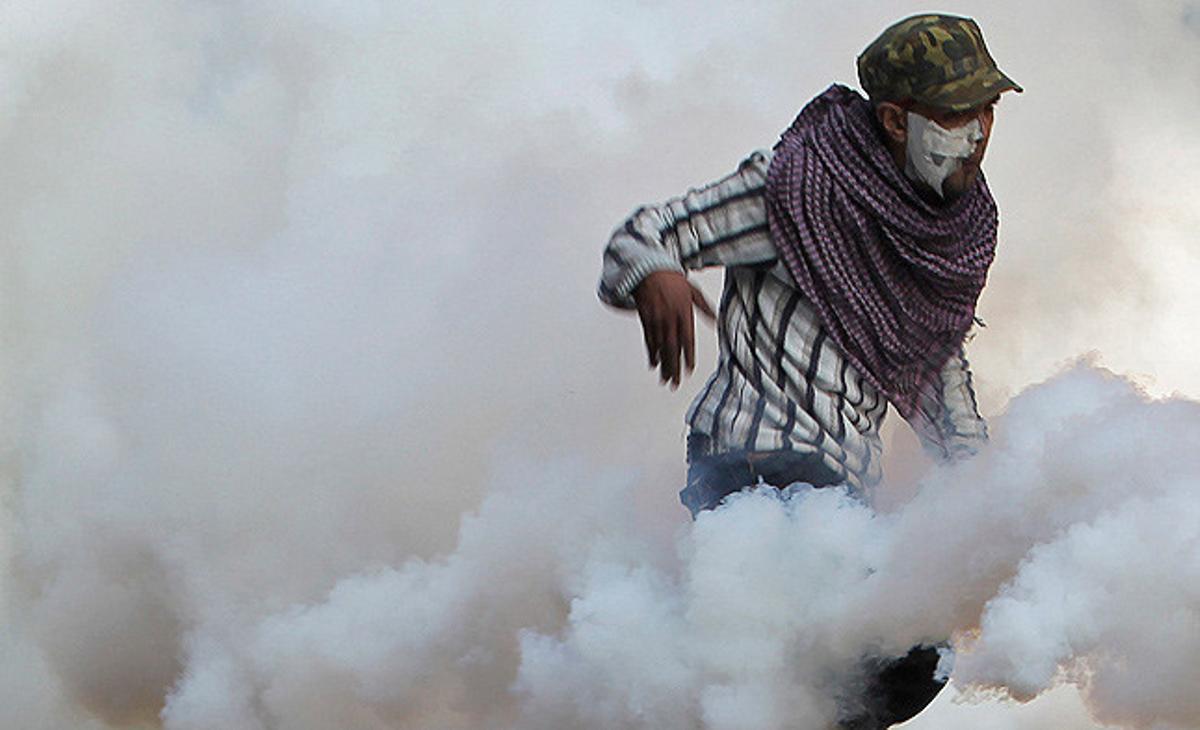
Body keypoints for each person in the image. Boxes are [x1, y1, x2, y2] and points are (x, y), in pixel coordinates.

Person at [597, 13, 1021, 729]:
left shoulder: (945, 235)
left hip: (842, 494)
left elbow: (938, 375)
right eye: (954, 114)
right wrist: (654, 274)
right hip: (752, 472)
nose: (978, 131)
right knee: (878, 647)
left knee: (906, 660)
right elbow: (643, 234)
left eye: (988, 109)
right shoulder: (795, 188)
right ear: (894, 118)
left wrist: (988, 498)